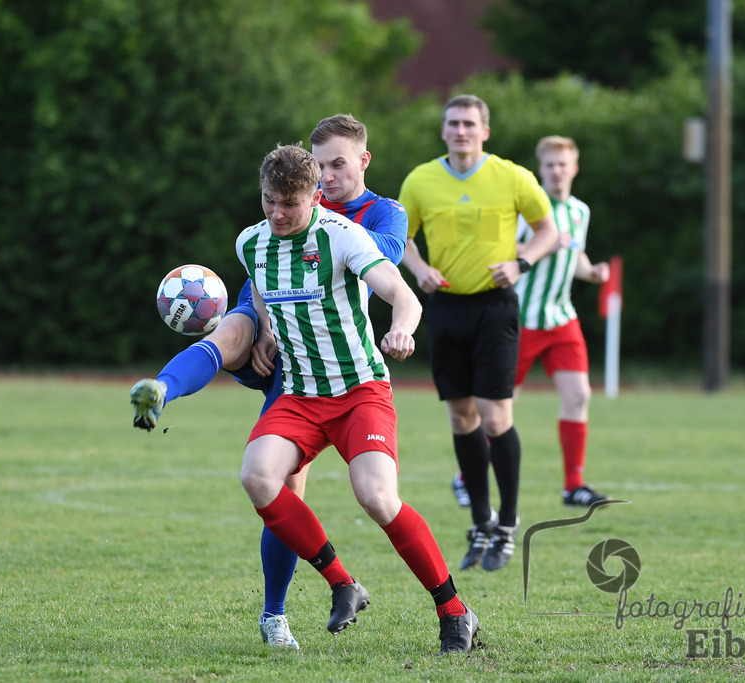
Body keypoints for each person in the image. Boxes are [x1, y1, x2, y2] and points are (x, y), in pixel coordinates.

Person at [131, 115, 408, 649]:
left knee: (290, 487)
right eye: (318, 165)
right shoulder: (289, 207)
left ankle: (299, 602)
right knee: (235, 327)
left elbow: (384, 266)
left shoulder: (378, 215)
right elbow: (265, 267)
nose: (325, 177)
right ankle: (163, 387)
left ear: (363, 161)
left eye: (336, 165)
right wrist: (263, 319)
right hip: (285, 347)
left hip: (338, 363)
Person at [236, 142, 479, 655]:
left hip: (359, 392)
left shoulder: (345, 236)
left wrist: (404, 330)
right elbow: (261, 289)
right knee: (257, 476)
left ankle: (454, 611)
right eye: (268, 201)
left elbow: (402, 294)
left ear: (315, 197)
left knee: (376, 496)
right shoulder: (251, 243)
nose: (278, 214)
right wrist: (262, 329)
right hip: (301, 395)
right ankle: (344, 584)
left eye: (289, 203)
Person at [397, 95, 558, 572]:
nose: (461, 130)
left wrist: (521, 261)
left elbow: (547, 228)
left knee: (494, 416)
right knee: (461, 418)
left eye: (470, 123)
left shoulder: (512, 176)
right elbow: (400, 234)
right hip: (445, 307)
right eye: (453, 123)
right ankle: (481, 522)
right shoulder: (421, 179)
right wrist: (419, 267)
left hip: (495, 308)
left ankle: (507, 524)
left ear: (485, 130)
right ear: (443, 131)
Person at [513, 136, 611, 507]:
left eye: (563, 164)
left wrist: (592, 272)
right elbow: (503, 250)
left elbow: (576, 255)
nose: (556, 171)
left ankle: (574, 485)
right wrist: (543, 245)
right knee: (500, 408)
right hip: (522, 319)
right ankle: (465, 476)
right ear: (541, 169)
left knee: (579, 395)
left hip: (561, 318)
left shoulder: (580, 211)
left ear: (575, 168)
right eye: (550, 165)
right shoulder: (528, 210)